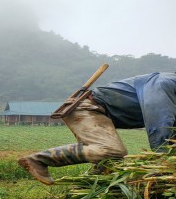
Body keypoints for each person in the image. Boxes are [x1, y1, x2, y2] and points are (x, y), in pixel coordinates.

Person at [18, 72, 176, 185]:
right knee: (112, 151)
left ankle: (85, 192)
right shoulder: (165, 82)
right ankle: (39, 160)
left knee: (109, 168)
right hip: (88, 108)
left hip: (101, 114)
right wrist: (162, 161)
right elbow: (161, 122)